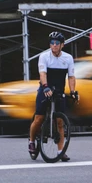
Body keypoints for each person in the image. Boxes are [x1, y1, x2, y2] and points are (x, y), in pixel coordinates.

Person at [28, 31, 79, 162]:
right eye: (52, 43)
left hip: (59, 90)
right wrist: (45, 86)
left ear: (62, 45)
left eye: (57, 43)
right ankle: (32, 141)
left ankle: (61, 151)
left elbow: (71, 77)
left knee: (60, 122)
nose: (54, 45)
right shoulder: (44, 56)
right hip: (45, 88)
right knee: (39, 118)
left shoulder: (68, 58)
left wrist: (73, 91)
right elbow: (42, 73)